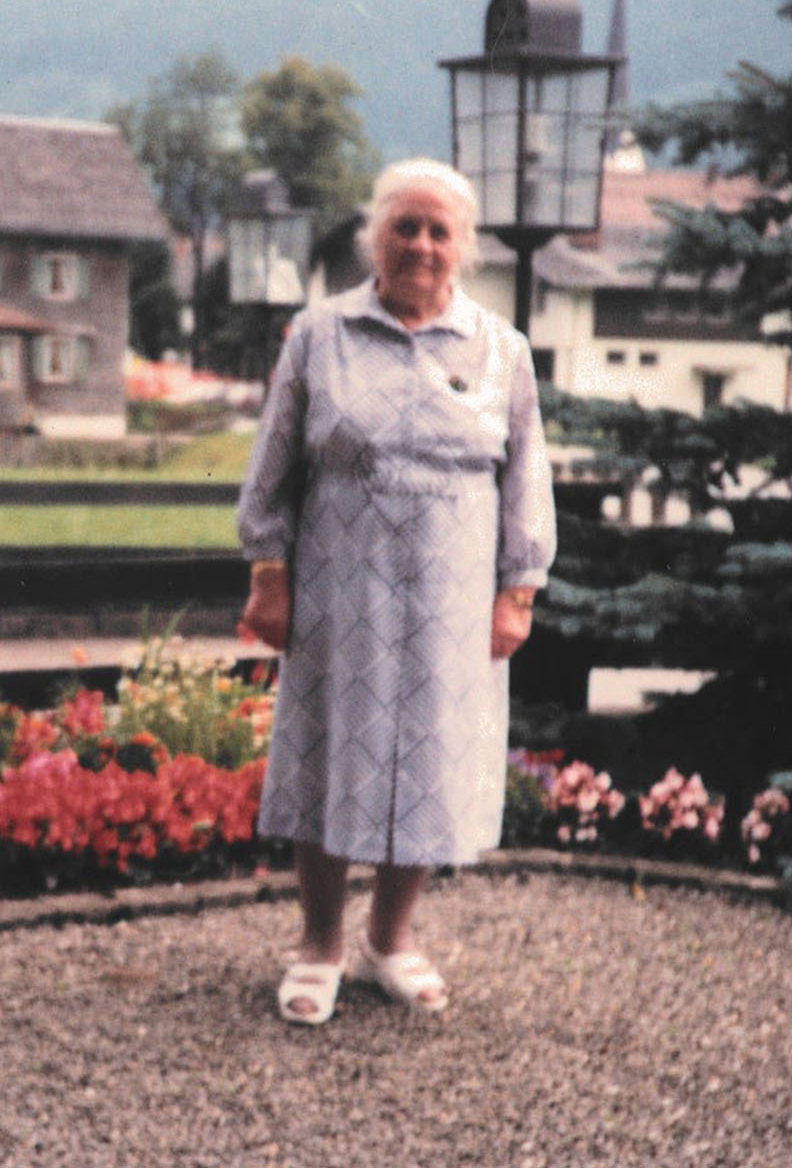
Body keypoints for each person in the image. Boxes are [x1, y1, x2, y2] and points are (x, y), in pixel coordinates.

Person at [235, 157, 556, 1025]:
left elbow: (526, 476)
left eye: (437, 230)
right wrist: (269, 576)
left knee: (431, 761)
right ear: (374, 237)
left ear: (464, 248)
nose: (419, 244)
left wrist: (517, 591)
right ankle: (319, 945)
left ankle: (391, 940)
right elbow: (270, 469)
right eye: (402, 227)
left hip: (453, 603)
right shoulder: (319, 336)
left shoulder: (503, 351)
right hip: (343, 595)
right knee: (330, 753)